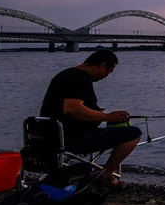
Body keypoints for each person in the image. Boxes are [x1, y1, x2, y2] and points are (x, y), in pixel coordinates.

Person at [39, 49, 141, 191]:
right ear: (102, 66)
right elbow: (71, 108)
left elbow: (65, 109)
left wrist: (95, 113)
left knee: (115, 128)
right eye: (108, 72)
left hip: (49, 137)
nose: (106, 76)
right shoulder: (81, 78)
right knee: (134, 133)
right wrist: (107, 117)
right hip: (71, 140)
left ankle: (68, 171)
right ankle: (105, 175)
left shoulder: (65, 74)